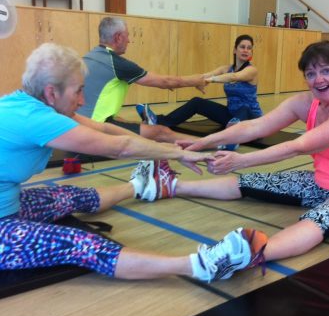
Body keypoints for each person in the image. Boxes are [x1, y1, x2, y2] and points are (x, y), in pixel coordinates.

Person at [0, 42, 266, 283]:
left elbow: (104, 130)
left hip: (9, 206)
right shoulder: (36, 119)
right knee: (82, 243)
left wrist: (167, 146)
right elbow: (120, 148)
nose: (82, 100)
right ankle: (200, 266)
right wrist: (180, 154)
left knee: (70, 195)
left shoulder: (29, 105)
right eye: (78, 91)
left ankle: (142, 186)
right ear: (51, 92)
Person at [133, 41, 329, 276]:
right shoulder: (306, 103)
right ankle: (170, 185)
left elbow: (299, 146)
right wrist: (200, 143)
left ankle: (247, 252)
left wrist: (240, 159)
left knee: (320, 219)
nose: (318, 79)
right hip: (322, 183)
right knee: (253, 182)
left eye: (325, 71)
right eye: (311, 74)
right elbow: (255, 126)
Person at [77, 16, 207, 144]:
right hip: (95, 129)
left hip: (80, 124)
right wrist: (196, 81)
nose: (129, 40)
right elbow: (165, 82)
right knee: (161, 132)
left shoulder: (89, 57)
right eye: (127, 35)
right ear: (118, 37)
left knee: (127, 122)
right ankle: (215, 144)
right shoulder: (116, 63)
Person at [137, 34, 263, 130]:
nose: (246, 50)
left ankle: (233, 135)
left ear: (251, 52)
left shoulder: (252, 70)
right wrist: (174, 82)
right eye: (242, 47)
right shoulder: (225, 68)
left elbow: (234, 77)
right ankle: (159, 121)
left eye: (249, 48)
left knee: (244, 108)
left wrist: (210, 80)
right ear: (235, 50)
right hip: (231, 115)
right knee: (197, 102)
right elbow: (202, 76)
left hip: (252, 118)